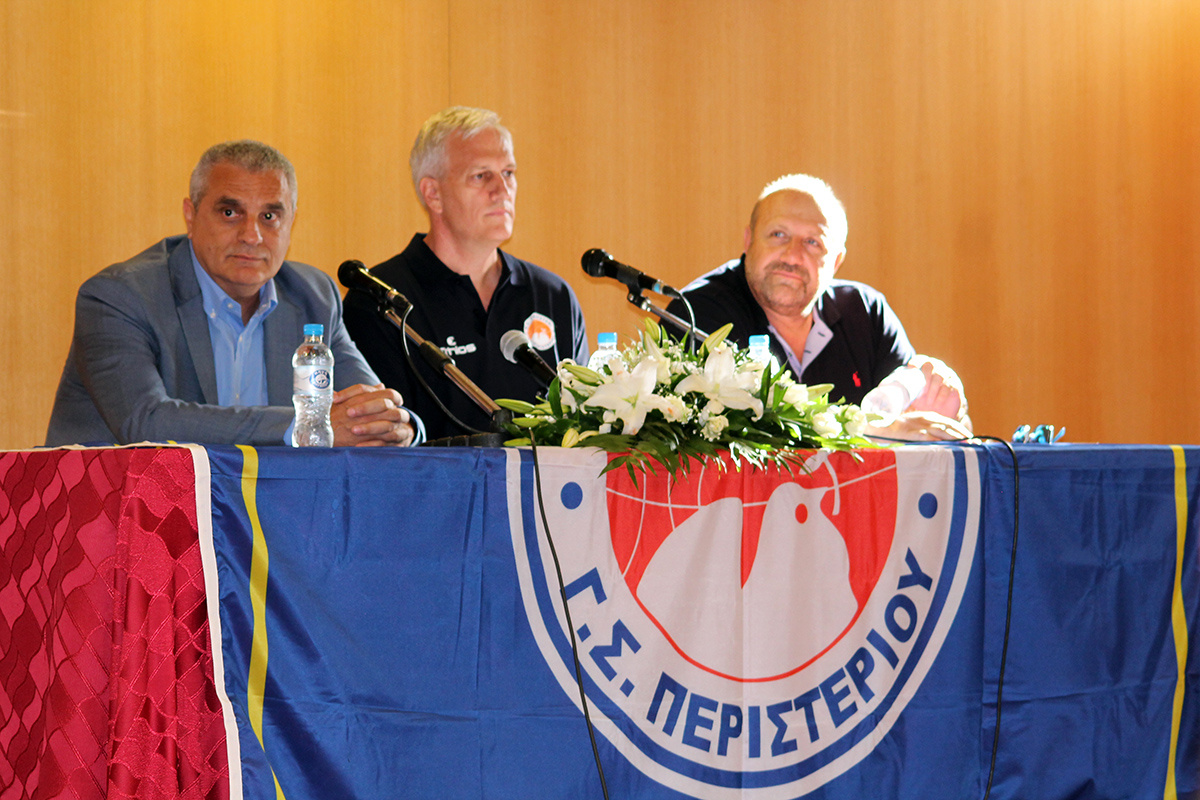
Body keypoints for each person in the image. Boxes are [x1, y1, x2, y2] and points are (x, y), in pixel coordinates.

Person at [45, 140, 421, 448]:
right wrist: (304, 427)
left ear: (292, 221)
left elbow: (367, 404)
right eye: (230, 213)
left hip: (260, 510)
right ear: (190, 215)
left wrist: (399, 426)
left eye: (270, 217)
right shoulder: (120, 297)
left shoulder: (312, 296)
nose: (251, 236)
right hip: (122, 509)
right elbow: (147, 422)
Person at [342, 107, 587, 441]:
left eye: (509, 172)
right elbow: (384, 440)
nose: (502, 189)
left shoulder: (553, 295)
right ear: (433, 194)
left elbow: (583, 427)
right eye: (481, 176)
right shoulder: (379, 301)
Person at [665, 174, 971, 441]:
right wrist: (872, 430)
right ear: (748, 240)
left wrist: (943, 403)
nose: (792, 255)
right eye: (778, 235)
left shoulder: (866, 313)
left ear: (836, 261)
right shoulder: (697, 313)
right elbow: (721, 434)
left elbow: (917, 420)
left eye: (813, 242)